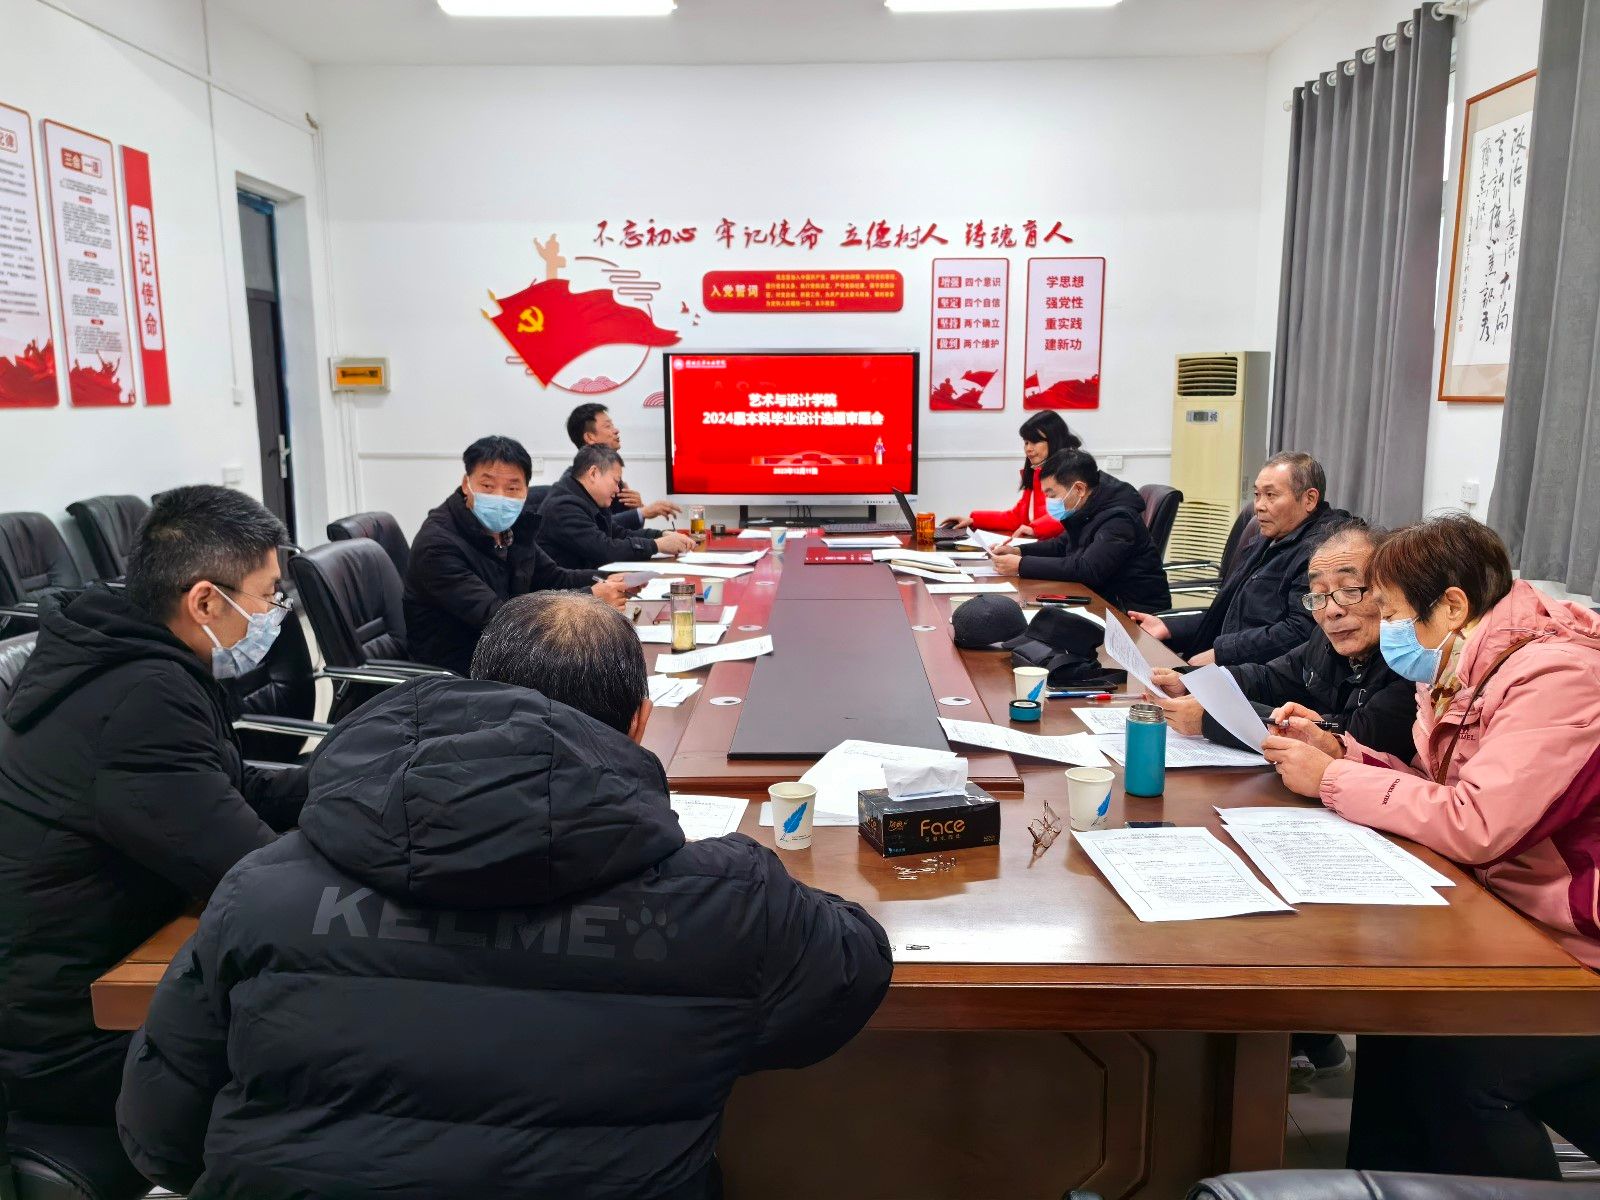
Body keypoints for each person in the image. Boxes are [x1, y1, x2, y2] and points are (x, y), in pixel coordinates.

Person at [118, 591, 894, 1199]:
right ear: (638, 723)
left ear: (476, 698)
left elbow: (162, 1142)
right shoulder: (725, 900)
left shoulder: (264, 886)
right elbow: (850, 971)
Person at [1262, 514, 1600, 1180]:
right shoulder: (1467, 663)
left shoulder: (1558, 678)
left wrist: (1332, 780)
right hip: (1513, 916)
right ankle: (1380, 1184)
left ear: (1451, 605)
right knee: (1398, 1023)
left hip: (1575, 941)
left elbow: (1479, 824)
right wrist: (1341, 753)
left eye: (1391, 613)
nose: (1385, 627)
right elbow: (1439, 789)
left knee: (1462, 1065)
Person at [0, 485, 305, 1135]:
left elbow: (223, 786)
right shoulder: (140, 697)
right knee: (335, 1050)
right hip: (76, 1035)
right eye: (268, 595)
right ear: (205, 601)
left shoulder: (133, 653)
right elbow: (252, 875)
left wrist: (339, 783)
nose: (276, 613)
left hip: (115, 965)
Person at [1148, 521, 1414, 761]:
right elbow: (1268, 678)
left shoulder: (1410, 662)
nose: (1332, 610)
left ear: (1388, 591)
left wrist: (1211, 717)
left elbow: (1350, 736)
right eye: (1318, 594)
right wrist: (1191, 681)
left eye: (1349, 590)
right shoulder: (1324, 639)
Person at [404, 435, 632, 675]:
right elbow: (498, 618)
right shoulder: (437, 546)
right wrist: (591, 598)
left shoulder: (511, 529)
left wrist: (610, 579)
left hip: (508, 652)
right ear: (466, 484)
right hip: (459, 670)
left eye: (512, 488)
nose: (500, 497)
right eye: (487, 486)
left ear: (526, 491)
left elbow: (555, 578)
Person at [1128, 451, 1344, 667]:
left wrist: (1221, 653)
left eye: (1271, 495)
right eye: (1257, 494)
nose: (1259, 506)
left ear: (1309, 499)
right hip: (1235, 663)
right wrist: (1169, 627)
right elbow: (1230, 612)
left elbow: (1300, 631)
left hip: (1262, 675)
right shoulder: (1269, 538)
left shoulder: (1324, 551)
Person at [987, 449, 1171, 613]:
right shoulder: (1090, 506)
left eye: (1052, 494)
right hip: (1100, 599)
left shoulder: (1118, 519)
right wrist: (1018, 551)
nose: (1050, 501)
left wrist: (1021, 565)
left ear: (1079, 489)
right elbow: (1062, 544)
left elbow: (1088, 569)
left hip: (1131, 615)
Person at [538, 444, 696, 570]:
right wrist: (657, 545)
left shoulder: (591, 498)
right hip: (564, 594)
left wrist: (661, 535)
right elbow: (605, 550)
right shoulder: (563, 507)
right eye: (616, 481)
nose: (617, 489)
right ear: (593, 473)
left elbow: (619, 534)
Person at [941, 411, 1081, 540]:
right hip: (1042, 546)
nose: (1028, 448)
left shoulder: (1073, 471)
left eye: (1035, 441)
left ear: (1054, 440)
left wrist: (1034, 529)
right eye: (1026, 442)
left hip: (1064, 551)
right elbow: (1017, 517)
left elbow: (1070, 512)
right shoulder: (1036, 472)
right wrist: (974, 520)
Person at [567, 401, 681, 530]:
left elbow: (622, 531)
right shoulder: (576, 482)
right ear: (590, 437)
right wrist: (642, 513)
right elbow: (596, 526)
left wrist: (636, 509)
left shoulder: (609, 472)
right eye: (608, 426)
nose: (616, 430)